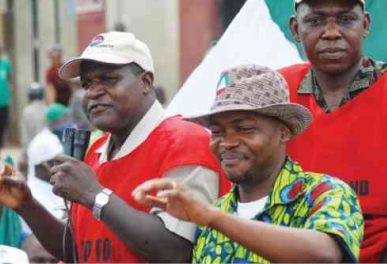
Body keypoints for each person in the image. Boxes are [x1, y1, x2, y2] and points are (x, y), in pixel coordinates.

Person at [0, 31, 230, 263]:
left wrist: (96, 195)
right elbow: (79, 250)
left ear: (145, 82)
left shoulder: (185, 142)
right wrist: (27, 205)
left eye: (108, 79)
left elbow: (176, 251)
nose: (93, 92)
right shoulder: (97, 151)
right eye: (86, 84)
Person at [277, 0, 387, 263]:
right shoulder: (277, 92)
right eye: (316, 21)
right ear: (296, 28)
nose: (331, 33)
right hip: (303, 246)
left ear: (366, 25)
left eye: (346, 19)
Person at [134, 65, 363, 263]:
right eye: (217, 132)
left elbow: (325, 255)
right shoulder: (214, 212)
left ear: (283, 132)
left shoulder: (323, 193)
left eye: (244, 129)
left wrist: (213, 218)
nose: (228, 142)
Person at [26, 103, 72, 219]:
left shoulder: (52, 186)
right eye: (58, 162)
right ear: (45, 164)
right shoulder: (34, 198)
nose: (63, 167)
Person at [20, 83, 47, 159]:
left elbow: (25, 134)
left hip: (32, 149)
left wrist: (24, 154)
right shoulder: (47, 109)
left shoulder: (27, 111)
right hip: (46, 149)